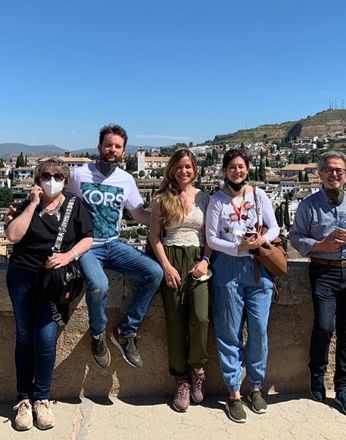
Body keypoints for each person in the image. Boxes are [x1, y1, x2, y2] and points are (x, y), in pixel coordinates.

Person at [5, 158, 93, 431]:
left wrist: (68, 255)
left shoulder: (75, 206)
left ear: (66, 181)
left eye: (57, 175)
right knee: (24, 336)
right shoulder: (26, 204)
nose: (51, 179)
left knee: (45, 338)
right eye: (46, 175)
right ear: (37, 179)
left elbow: (87, 238)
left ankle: (41, 398)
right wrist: (32, 204)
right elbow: (12, 236)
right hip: (22, 276)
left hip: (52, 282)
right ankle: (23, 400)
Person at [65, 124, 164, 369]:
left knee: (155, 273)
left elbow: (139, 214)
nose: (112, 150)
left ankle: (126, 331)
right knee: (99, 285)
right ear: (99, 147)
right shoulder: (79, 175)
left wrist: (167, 217)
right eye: (108, 145)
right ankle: (98, 334)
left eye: (117, 146)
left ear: (124, 151)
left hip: (114, 244)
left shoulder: (126, 180)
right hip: (87, 247)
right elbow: (59, 202)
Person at [288, 151, 346, 417]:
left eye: (338, 170)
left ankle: (343, 388)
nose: (334, 173)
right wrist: (319, 245)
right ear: (320, 175)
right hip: (323, 273)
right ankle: (317, 376)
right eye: (328, 169)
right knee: (325, 327)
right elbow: (295, 236)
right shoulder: (308, 205)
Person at [205, 148, 280, 424]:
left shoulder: (259, 195)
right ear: (225, 170)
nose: (237, 171)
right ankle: (234, 392)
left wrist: (260, 241)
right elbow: (212, 239)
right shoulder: (217, 201)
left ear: (247, 169)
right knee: (228, 330)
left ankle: (256, 387)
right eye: (232, 167)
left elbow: (274, 228)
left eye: (241, 166)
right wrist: (238, 248)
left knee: (259, 329)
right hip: (228, 267)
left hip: (258, 269)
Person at [147, 148, 212, 412]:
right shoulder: (162, 199)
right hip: (171, 258)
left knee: (200, 317)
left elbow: (210, 235)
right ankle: (181, 380)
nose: (183, 171)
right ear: (172, 169)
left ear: (195, 169)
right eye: (179, 167)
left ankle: (197, 369)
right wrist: (166, 266)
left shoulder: (205, 199)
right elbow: (154, 237)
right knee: (174, 320)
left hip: (198, 258)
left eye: (188, 166)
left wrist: (206, 261)